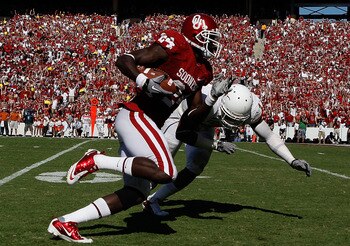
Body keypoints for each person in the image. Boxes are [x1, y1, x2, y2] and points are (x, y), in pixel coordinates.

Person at [48, 13, 231, 243]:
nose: (213, 43)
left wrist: (212, 98)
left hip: (147, 124)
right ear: (195, 35)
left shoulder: (203, 70)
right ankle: (96, 160)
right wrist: (143, 80)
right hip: (137, 115)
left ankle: (65, 222)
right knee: (167, 171)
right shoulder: (177, 44)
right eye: (208, 37)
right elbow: (124, 59)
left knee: (136, 194)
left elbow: (188, 122)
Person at [142, 84, 312, 217]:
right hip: (182, 118)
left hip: (206, 124)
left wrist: (291, 160)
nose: (231, 123)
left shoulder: (251, 109)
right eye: (229, 117)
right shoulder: (208, 100)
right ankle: (131, 195)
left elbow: (268, 136)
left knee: (195, 167)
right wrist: (215, 144)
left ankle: (154, 201)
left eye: (236, 120)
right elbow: (184, 134)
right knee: (161, 166)